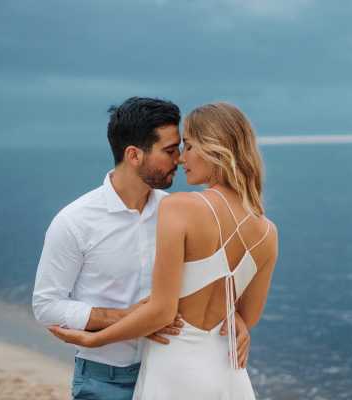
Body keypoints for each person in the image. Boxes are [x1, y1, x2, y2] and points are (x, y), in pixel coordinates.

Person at [49, 102, 278, 399]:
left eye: (190, 146)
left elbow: (162, 311)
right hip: (228, 372)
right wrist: (233, 318)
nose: (182, 159)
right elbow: (247, 317)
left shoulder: (178, 207)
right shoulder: (268, 231)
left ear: (215, 149)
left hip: (176, 369)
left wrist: (95, 340)